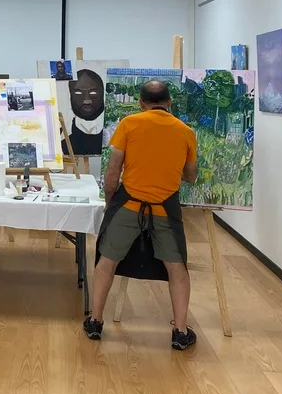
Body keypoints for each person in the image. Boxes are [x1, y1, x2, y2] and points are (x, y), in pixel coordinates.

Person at [84, 81, 199, 351]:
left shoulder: (129, 124)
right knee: (177, 268)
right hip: (165, 209)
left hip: (129, 205)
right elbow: (191, 175)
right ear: (169, 102)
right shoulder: (186, 132)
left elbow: (113, 171)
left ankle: (96, 321)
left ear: (141, 103)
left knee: (107, 261)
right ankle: (180, 331)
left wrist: (111, 204)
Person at [68, 69, 105, 156]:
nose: (87, 101)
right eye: (78, 93)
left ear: (102, 94)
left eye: (93, 93)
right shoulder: (64, 144)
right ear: (71, 96)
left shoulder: (112, 139)